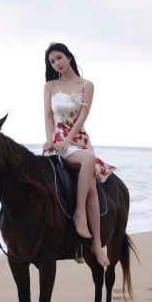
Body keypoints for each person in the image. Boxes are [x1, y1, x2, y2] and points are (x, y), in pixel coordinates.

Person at [43, 42, 116, 268]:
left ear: (69, 56)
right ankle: (76, 216)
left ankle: (95, 244)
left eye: (58, 58)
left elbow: (83, 116)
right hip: (58, 142)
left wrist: (68, 140)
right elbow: (47, 116)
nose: (56, 63)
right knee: (86, 162)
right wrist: (50, 140)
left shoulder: (87, 84)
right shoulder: (50, 86)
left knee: (92, 184)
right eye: (52, 61)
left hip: (79, 141)